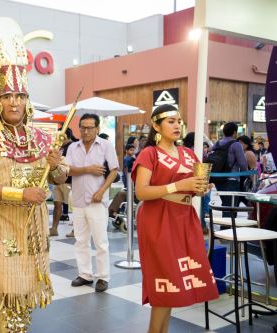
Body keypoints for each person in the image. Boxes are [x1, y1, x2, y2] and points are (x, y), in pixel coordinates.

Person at [0, 17, 68, 332]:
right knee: (9, 297)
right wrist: (20, 194)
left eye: (20, 97)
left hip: (35, 230)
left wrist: (57, 166)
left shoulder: (40, 137)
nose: (15, 102)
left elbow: (60, 177)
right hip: (4, 229)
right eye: (8, 96)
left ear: (27, 102)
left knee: (25, 300)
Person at [132, 104, 218, 333]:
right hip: (158, 220)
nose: (177, 125)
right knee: (165, 282)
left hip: (185, 219)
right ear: (156, 125)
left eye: (178, 120)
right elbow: (141, 192)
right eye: (170, 121)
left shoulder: (189, 154)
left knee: (174, 285)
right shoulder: (149, 153)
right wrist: (178, 185)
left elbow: (194, 188)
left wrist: (201, 188)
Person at [65, 113, 119, 293]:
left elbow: (113, 171)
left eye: (90, 127)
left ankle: (103, 277)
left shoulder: (105, 146)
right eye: (83, 127)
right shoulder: (73, 147)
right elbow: (68, 171)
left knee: (100, 242)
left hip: (97, 201)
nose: (86, 131)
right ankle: (85, 274)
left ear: (97, 129)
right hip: (78, 199)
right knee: (80, 240)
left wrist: (101, 191)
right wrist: (87, 169)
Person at [210, 122, 248, 216]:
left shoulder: (217, 143)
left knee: (226, 205)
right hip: (231, 180)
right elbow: (243, 164)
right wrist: (247, 174)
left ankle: (225, 229)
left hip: (219, 180)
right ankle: (226, 230)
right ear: (235, 133)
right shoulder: (236, 144)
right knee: (230, 209)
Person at [50, 128, 76, 237]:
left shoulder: (73, 146)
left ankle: (76, 230)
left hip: (70, 181)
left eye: (60, 136)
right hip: (58, 181)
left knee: (75, 207)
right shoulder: (59, 147)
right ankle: (54, 228)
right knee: (57, 204)